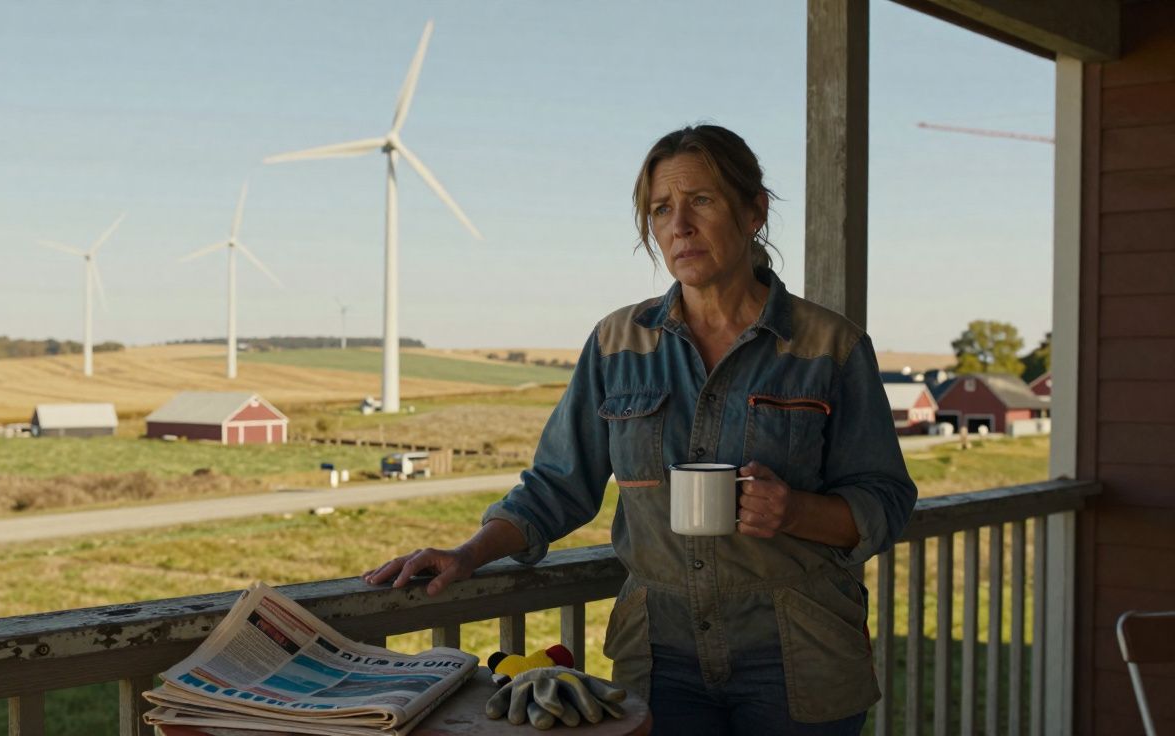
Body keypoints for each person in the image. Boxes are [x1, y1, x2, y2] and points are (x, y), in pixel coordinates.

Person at [363, 124, 917, 734]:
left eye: (701, 200)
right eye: (661, 209)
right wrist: (468, 554)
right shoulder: (616, 344)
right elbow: (557, 484)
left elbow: (885, 499)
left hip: (799, 660)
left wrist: (793, 512)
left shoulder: (829, 346)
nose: (679, 224)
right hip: (661, 661)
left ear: (755, 210)